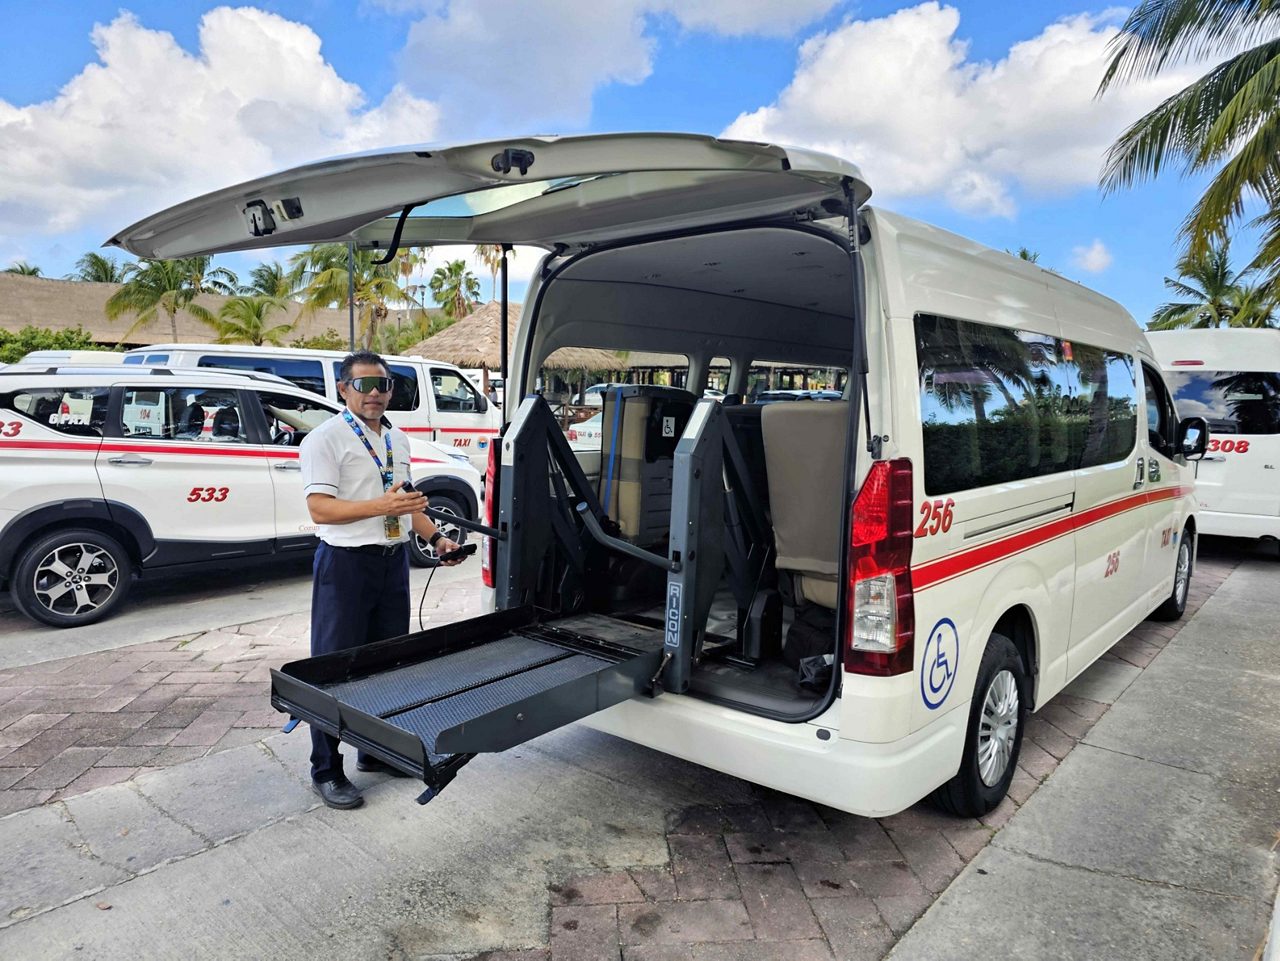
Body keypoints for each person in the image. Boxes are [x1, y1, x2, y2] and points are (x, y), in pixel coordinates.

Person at [300, 350, 462, 810]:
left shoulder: (398, 439)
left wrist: (437, 539)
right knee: (335, 670)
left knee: (387, 662)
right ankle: (326, 769)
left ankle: (373, 751)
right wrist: (381, 509)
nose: (375, 395)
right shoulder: (325, 440)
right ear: (343, 389)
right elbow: (319, 509)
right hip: (345, 565)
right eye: (364, 385)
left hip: (391, 563)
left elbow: (406, 504)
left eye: (383, 385)